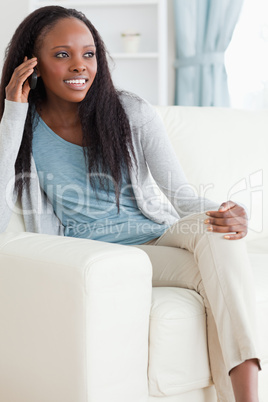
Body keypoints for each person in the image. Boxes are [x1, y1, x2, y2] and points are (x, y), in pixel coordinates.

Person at [0, 5, 260, 401]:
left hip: (157, 239)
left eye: (88, 54)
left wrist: (226, 212)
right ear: (31, 64)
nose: (79, 66)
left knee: (218, 233)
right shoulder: (22, 127)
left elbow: (181, 195)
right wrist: (14, 111)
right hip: (103, 256)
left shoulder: (128, 110)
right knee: (220, 278)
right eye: (62, 54)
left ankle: (247, 395)